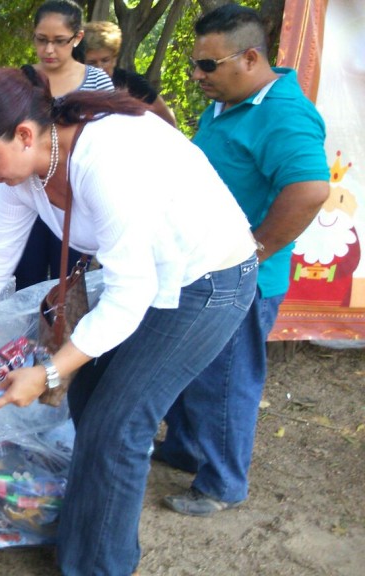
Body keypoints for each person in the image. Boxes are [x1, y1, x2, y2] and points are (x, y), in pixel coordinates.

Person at [0, 67, 261, 574]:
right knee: (91, 402)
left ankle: (100, 565)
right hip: (145, 278)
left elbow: (130, 291)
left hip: (208, 280)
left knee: (120, 424)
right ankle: (82, 547)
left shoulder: (103, 158)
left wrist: (49, 372)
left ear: (25, 134)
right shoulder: (25, 169)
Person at [157, 4, 330, 517]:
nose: (196, 75)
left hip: (243, 279)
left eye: (208, 65)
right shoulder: (228, 100)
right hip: (204, 268)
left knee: (226, 379)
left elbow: (311, 190)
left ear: (250, 58)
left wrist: (254, 252)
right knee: (190, 368)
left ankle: (222, 483)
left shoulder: (284, 113)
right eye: (196, 63)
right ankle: (186, 450)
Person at [0, 0, 112, 290]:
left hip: (75, 201)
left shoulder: (97, 82)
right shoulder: (20, 82)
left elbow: (109, 148)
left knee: (68, 284)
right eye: (42, 40)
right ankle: (27, 337)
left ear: (76, 39)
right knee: (26, 280)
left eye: (59, 41)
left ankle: (64, 335)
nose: (49, 50)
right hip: (24, 196)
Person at [82, 20, 176, 125]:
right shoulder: (73, 85)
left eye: (105, 60)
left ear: (114, 59)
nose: (99, 67)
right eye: (92, 62)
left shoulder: (133, 84)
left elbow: (167, 118)